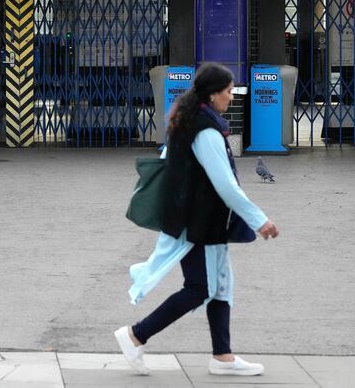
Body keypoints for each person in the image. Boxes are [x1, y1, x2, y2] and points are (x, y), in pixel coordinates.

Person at [115, 62, 279, 377]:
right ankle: (136, 335)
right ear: (214, 94)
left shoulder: (188, 120)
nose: (232, 97)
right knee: (200, 288)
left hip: (201, 220)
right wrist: (260, 220)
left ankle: (223, 357)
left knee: (219, 286)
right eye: (229, 91)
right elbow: (226, 185)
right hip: (199, 222)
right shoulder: (205, 129)